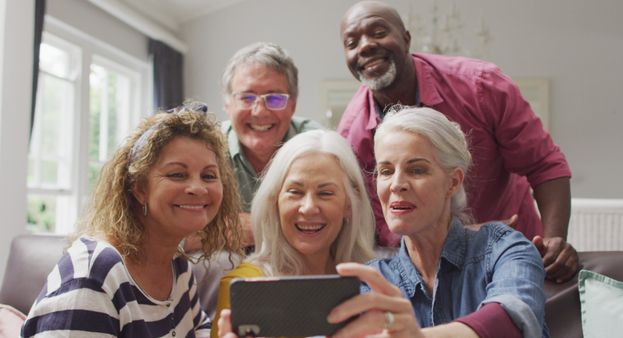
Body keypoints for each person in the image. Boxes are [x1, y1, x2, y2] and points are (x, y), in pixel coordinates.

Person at [337, 0, 577, 283]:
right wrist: (466, 236)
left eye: (378, 32)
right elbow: (386, 230)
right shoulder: (351, 138)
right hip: (428, 273)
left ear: (406, 38)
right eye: (351, 43)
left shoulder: (481, 86)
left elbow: (545, 165)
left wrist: (553, 241)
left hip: (513, 256)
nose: (364, 46)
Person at [21, 103, 243, 337]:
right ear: (138, 188)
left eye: (208, 176)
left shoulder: (179, 269)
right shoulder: (95, 272)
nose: (198, 188)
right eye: (177, 174)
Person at [327, 107, 548, 338]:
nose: (396, 184)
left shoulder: (505, 249)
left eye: (416, 170)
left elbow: (510, 321)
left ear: (453, 182)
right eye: (386, 171)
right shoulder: (373, 281)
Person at [213, 129, 376, 338]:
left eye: (325, 193)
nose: (308, 208)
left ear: (350, 205)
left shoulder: (371, 282)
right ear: (274, 201)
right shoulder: (247, 286)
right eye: (295, 192)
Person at [221, 42, 323, 247]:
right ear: (227, 105)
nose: (259, 112)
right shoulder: (205, 147)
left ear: (292, 105)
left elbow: (332, 223)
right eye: (247, 98)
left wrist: (255, 226)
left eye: (275, 98)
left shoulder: (318, 146)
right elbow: (176, 230)